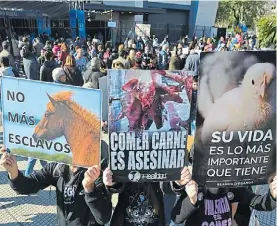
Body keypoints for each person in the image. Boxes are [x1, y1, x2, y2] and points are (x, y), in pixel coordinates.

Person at [0, 145, 112, 226]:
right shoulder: (58, 167)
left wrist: (89, 187)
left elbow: (103, 217)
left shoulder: (98, 169)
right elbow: (29, 185)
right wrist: (13, 171)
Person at [171, 169, 277, 226]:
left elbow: (261, 203)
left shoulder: (231, 185)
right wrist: (192, 200)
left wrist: (273, 195)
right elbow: (176, 218)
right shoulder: (196, 185)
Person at [103, 167, 190, 226]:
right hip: (124, 220)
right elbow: (117, 183)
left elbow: (167, 187)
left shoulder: (162, 147)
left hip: (156, 219)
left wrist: (178, 182)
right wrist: (112, 182)